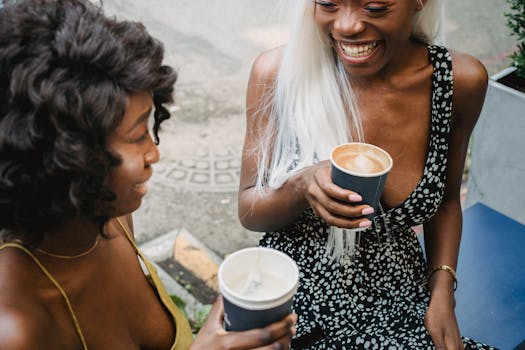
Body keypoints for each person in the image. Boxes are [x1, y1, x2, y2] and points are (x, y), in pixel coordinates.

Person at [0, 0, 297, 349]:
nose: (154, 154)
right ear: (66, 157)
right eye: (137, 135)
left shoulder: (112, 216)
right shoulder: (16, 330)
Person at [238, 0, 494, 349]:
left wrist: (442, 291)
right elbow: (249, 210)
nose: (346, 26)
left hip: (400, 303)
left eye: (374, 7)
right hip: (291, 298)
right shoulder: (278, 72)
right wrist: (302, 184)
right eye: (328, 3)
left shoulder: (459, 83)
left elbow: (447, 201)